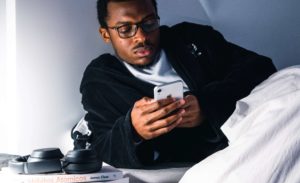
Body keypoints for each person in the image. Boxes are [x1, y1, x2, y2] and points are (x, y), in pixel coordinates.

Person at [73, 0, 277, 168]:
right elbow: (99, 147)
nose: (142, 37)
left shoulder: (192, 38)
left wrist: (207, 104)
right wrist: (133, 130)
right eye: (125, 29)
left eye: (149, 23)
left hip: (255, 128)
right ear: (106, 34)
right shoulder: (101, 80)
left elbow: (259, 67)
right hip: (210, 158)